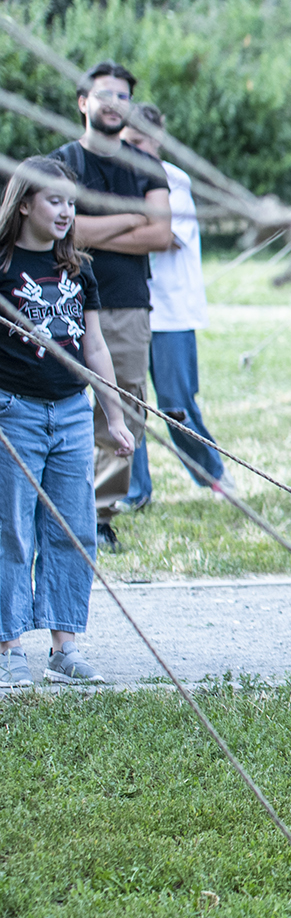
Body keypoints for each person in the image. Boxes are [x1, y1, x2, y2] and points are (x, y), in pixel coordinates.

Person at [0, 157, 133, 686]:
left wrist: (114, 415)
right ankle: (8, 647)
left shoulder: (78, 268)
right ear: (25, 202)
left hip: (72, 414)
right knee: (10, 528)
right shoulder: (3, 264)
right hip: (14, 411)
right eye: (54, 200)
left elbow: (94, 346)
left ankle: (64, 646)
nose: (65, 210)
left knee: (73, 528)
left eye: (71, 203)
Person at [56, 62, 170, 551]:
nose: (113, 102)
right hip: (59, 301)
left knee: (122, 407)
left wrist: (91, 230)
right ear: (83, 101)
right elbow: (66, 231)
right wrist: (129, 218)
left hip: (125, 304)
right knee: (55, 409)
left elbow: (162, 234)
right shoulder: (59, 164)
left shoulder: (146, 166)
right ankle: (57, 509)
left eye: (122, 96)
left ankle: (99, 516)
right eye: (104, 93)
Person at [120, 103, 232, 497]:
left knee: (175, 405)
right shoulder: (114, 179)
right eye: (126, 142)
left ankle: (213, 474)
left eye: (140, 142)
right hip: (128, 306)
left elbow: (164, 236)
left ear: (157, 140)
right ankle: (134, 490)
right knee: (125, 404)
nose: (133, 150)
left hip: (171, 310)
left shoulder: (173, 180)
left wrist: (104, 230)